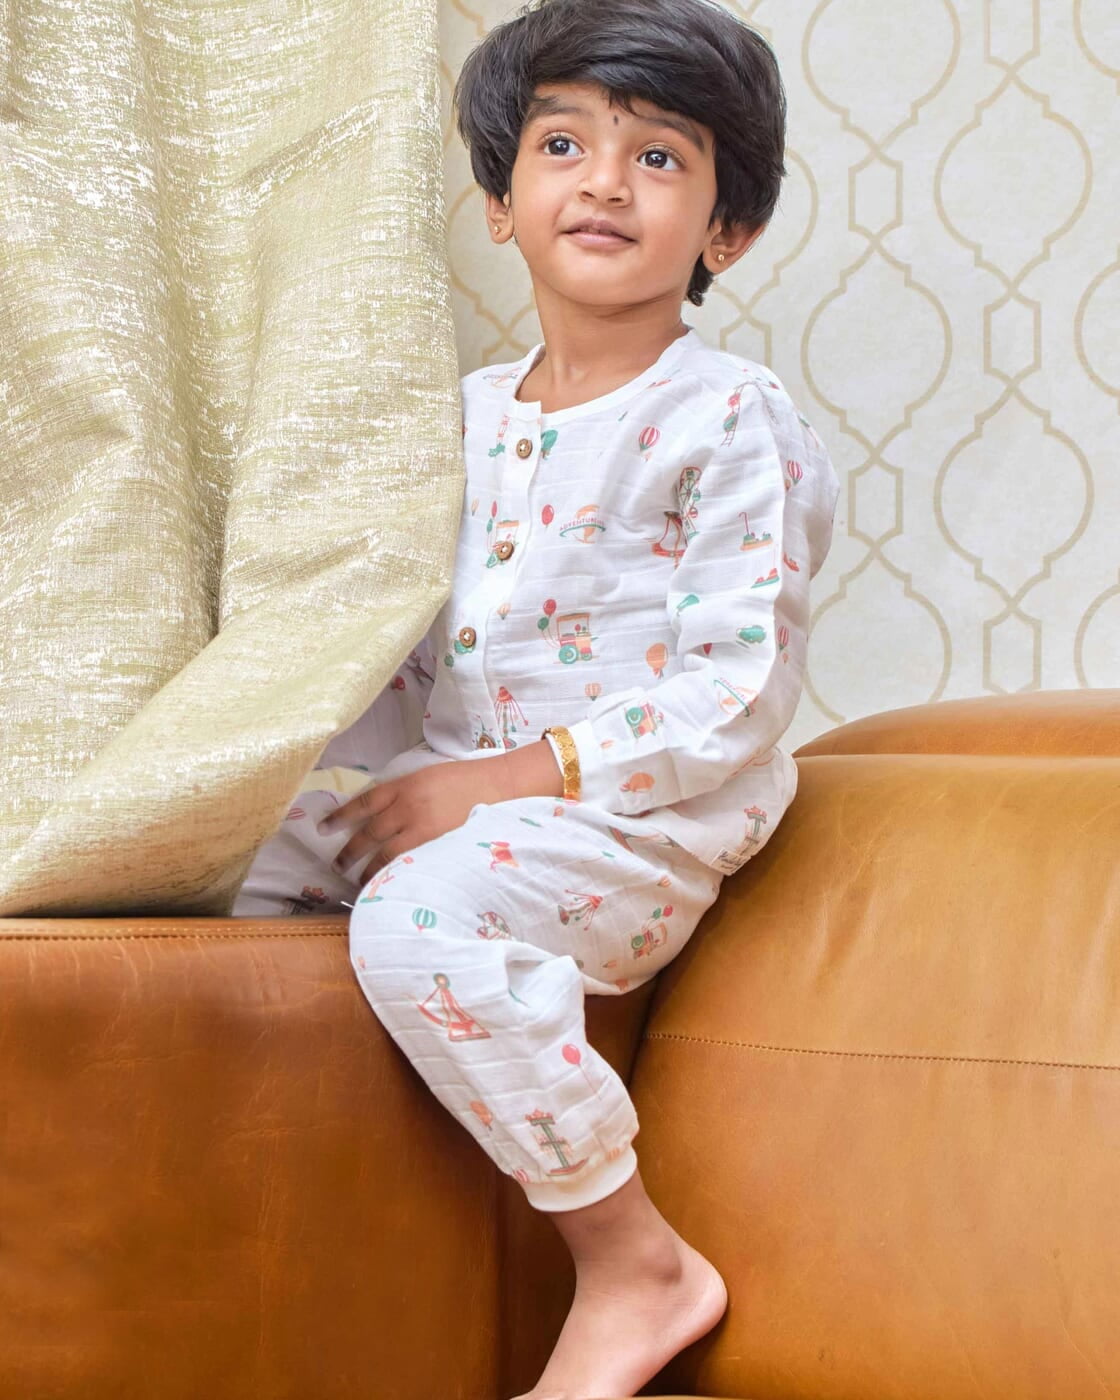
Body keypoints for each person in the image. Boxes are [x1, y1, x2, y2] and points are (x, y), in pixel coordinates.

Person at [238, 0, 839, 1393]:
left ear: (729, 230)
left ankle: (635, 1265)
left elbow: (736, 695)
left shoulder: (731, 419)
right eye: (563, 144)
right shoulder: (464, 419)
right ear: (502, 203)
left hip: (640, 827)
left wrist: (498, 783)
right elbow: (409, 659)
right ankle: (286, 1237)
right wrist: (259, 773)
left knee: (413, 919)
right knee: (214, 864)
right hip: (462, 800)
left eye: (660, 157)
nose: (606, 181)